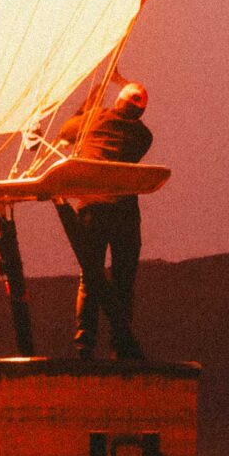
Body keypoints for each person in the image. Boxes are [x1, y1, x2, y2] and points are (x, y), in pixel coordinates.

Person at [55, 78, 152, 360]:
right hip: (124, 212)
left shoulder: (94, 118)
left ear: (118, 100)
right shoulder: (143, 137)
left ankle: (84, 347)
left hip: (93, 210)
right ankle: (120, 347)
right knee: (124, 279)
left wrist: (97, 90)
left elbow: (67, 129)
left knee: (90, 279)